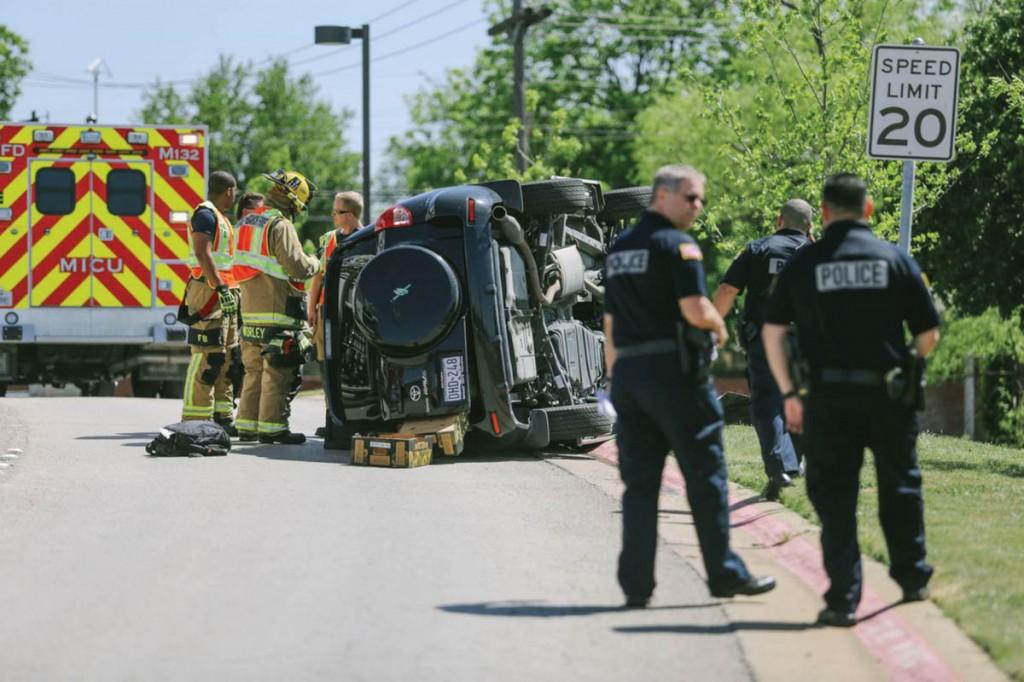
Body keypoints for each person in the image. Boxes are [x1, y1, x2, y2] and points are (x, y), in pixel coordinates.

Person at [762, 173, 940, 627]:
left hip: (827, 398)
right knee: (900, 485)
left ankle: (843, 598)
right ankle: (912, 577)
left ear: (822, 213)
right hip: (887, 396)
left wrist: (787, 390)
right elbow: (928, 334)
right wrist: (908, 364)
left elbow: (773, 330)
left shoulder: (804, 263)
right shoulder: (895, 260)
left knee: (834, 496)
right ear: (869, 209)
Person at [603, 164, 776, 607]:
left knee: (639, 485)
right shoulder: (677, 245)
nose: (698, 206)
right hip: (677, 379)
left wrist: (614, 376)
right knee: (706, 478)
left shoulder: (620, 248)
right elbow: (697, 308)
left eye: (700, 198)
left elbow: (611, 322)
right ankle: (723, 574)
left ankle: (636, 587)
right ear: (662, 197)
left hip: (630, 379)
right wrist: (719, 329)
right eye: (691, 197)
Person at [713, 199, 813, 500]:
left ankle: (781, 467)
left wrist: (711, 325)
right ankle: (789, 465)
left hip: (766, 339)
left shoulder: (757, 249)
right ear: (809, 227)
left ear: (778, 219)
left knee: (768, 402)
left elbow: (728, 290)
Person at [232, 169, 320, 444]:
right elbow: (297, 266)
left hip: (249, 312)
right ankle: (273, 429)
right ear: (293, 202)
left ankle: (246, 426)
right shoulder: (279, 226)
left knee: (253, 371)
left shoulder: (245, 223)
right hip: (278, 312)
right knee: (277, 373)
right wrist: (317, 263)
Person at [179, 170, 240, 433]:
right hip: (209, 292)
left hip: (222, 292)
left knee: (225, 357)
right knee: (207, 357)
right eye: (234, 192)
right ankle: (195, 420)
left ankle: (222, 416)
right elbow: (202, 252)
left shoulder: (220, 217)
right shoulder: (205, 214)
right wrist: (221, 286)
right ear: (229, 191)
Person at [308, 191, 363, 439]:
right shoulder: (329, 239)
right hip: (326, 312)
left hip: (354, 314)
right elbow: (317, 277)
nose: (332, 215)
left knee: (353, 366)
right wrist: (311, 310)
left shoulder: (368, 238)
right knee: (325, 365)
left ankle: (354, 419)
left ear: (349, 215)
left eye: (336, 212)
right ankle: (332, 419)